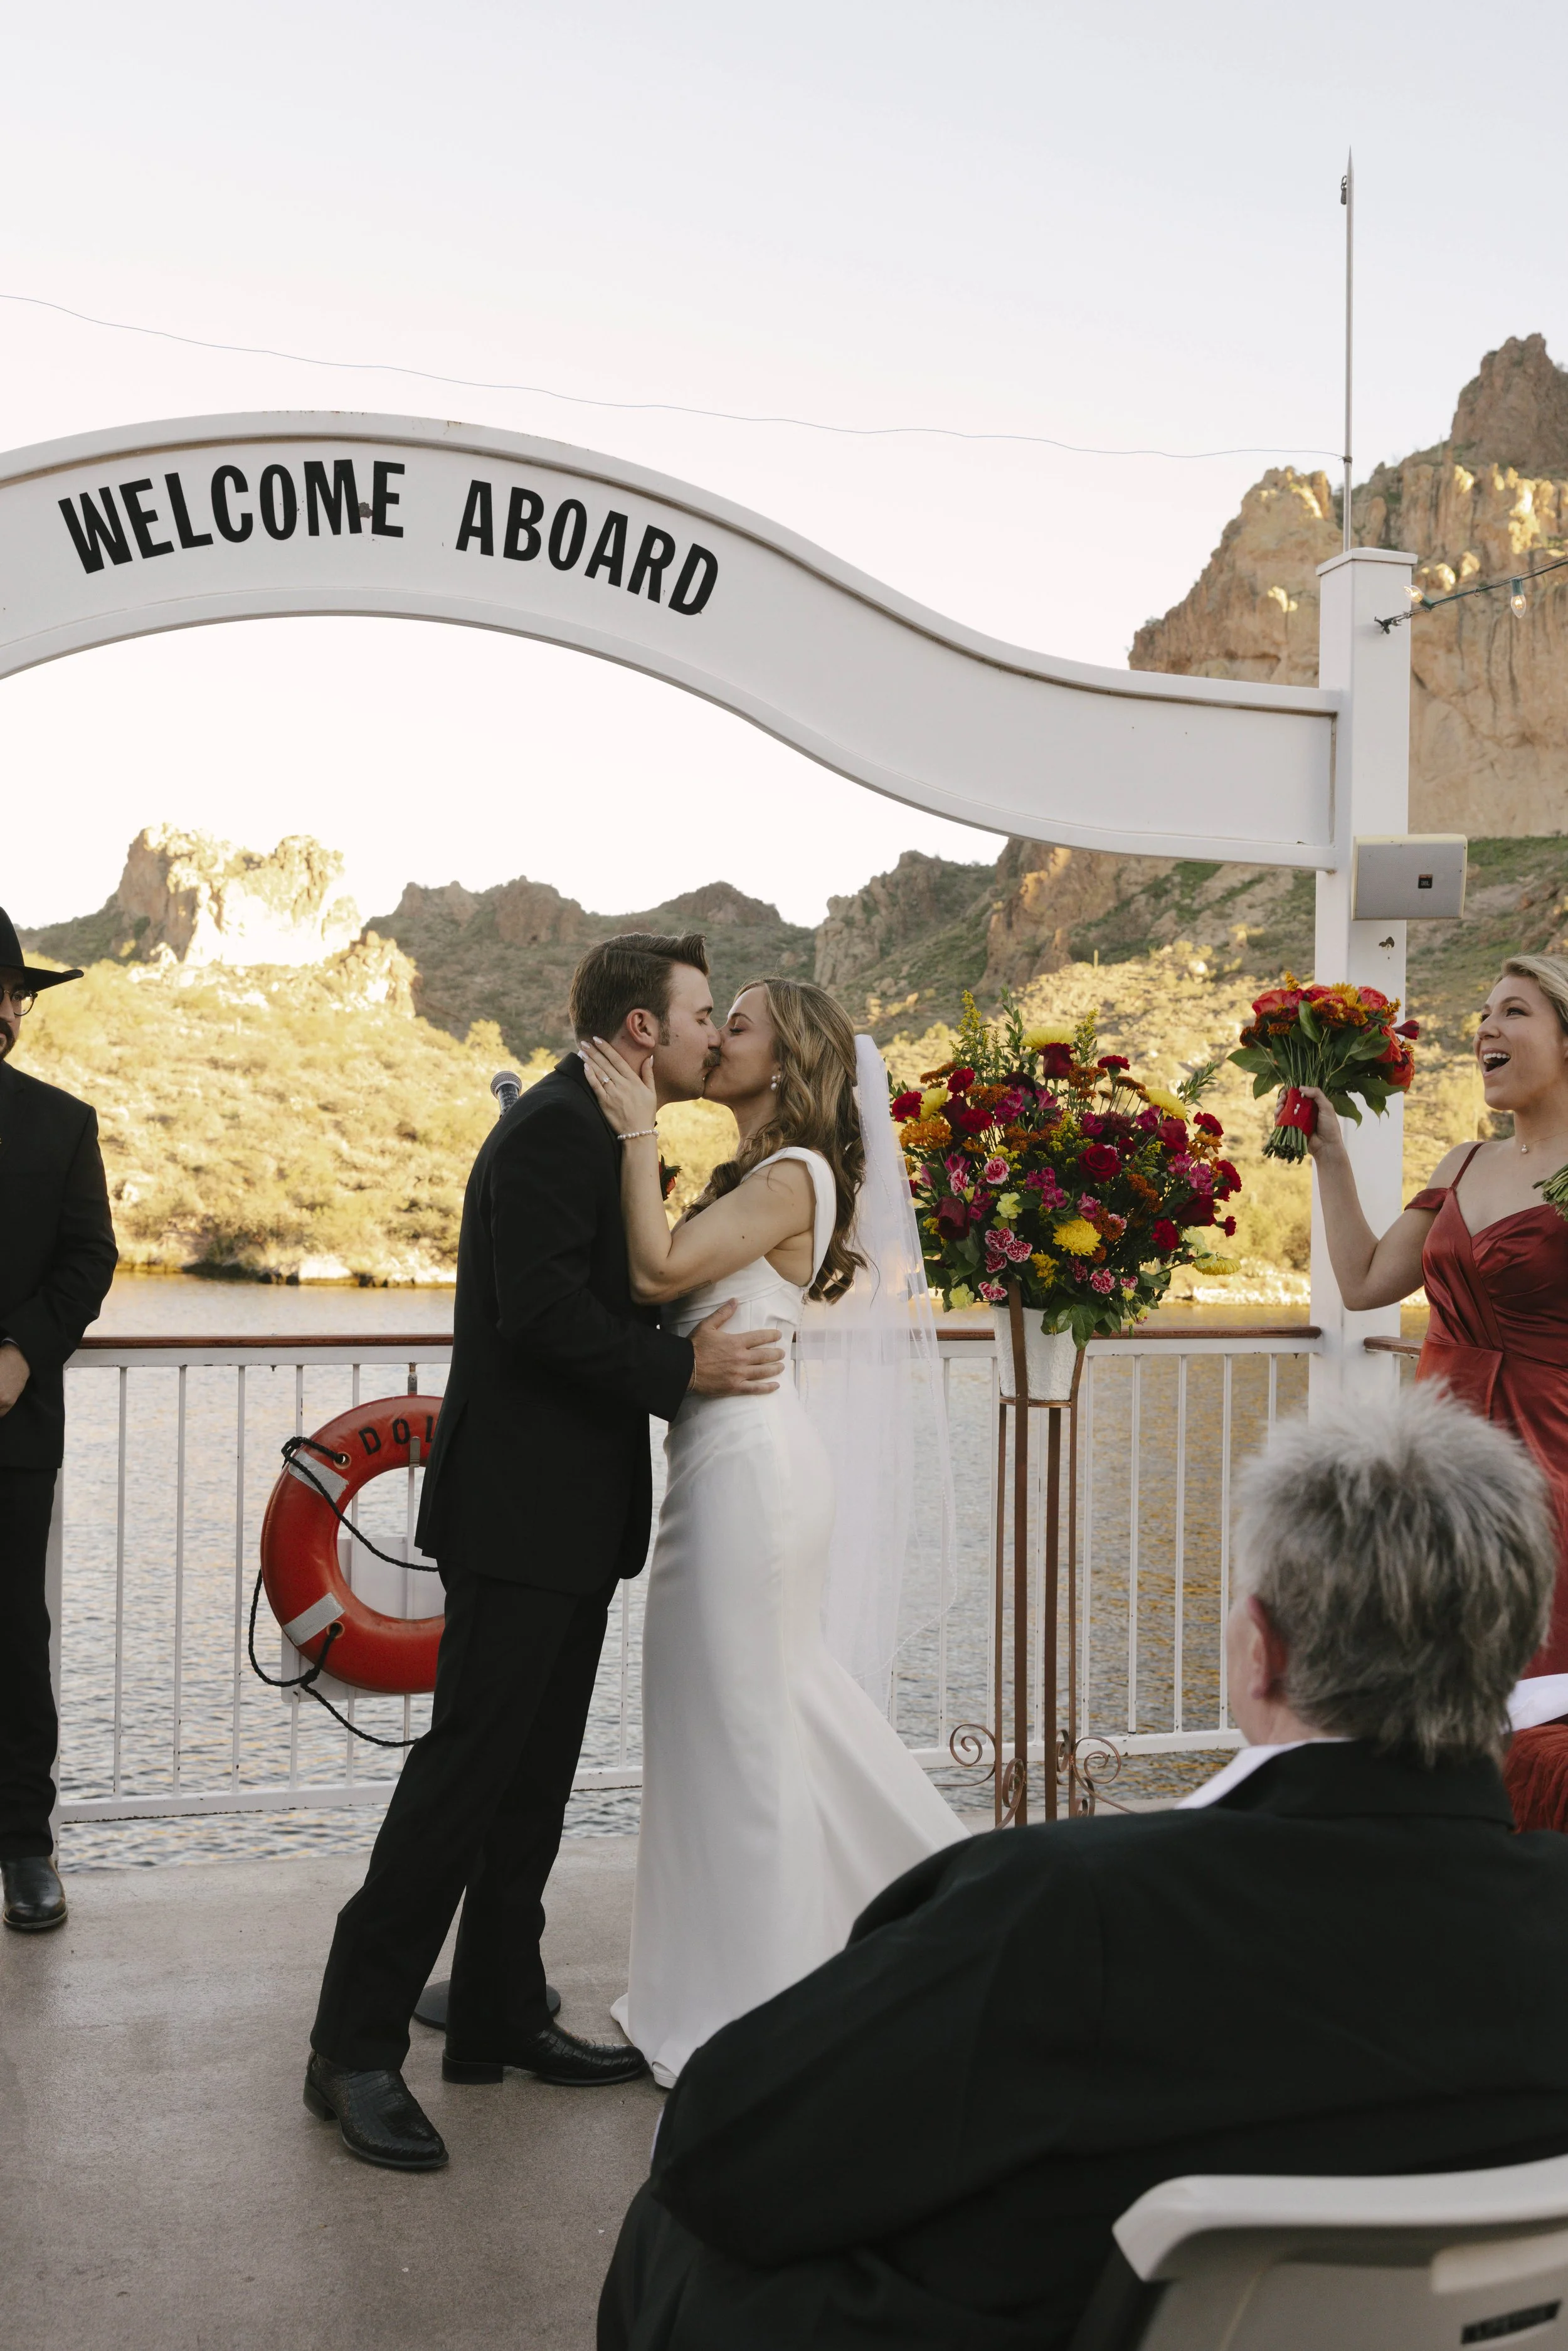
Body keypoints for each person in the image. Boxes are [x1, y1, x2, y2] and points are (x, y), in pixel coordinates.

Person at [598, 1385, 1568, 2351]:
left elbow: (723, 2147)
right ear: (1514, 1653)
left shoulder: (1073, 1907)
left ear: (1259, 1653)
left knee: (678, 2241)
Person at [305, 933, 788, 2172]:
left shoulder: (597, 1127)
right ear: (641, 1029)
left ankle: (501, 2012)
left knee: (531, 1782)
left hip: (567, 1517)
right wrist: (683, 1367)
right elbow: (542, 1318)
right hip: (519, 1515)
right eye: (695, 1015)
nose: (703, 1035)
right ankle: (352, 2046)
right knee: (463, 1776)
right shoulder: (559, 1131)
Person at [580, 979, 966, 2089]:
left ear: (789, 1063)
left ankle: (756, 2007)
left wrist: (636, 1124)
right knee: (749, 1718)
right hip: (725, 1463)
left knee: (745, 1728)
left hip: (750, 1474)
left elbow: (658, 1272)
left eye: (735, 1026)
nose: (715, 1039)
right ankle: (841, 1945)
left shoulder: (795, 1175)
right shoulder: (757, 1175)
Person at [1305, 953, 1568, 1822]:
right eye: (1485, 1014)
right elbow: (1366, 1281)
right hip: (1434, 1468)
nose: (1486, 1029)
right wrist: (1331, 1154)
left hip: (1549, 1474)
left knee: (1532, 1707)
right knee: (1422, 1675)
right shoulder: (1461, 1163)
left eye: (1516, 1013)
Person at [0, 909, 117, 1934]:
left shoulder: (61, 1122)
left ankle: (24, 1849)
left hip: (10, 1423)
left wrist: (21, 1348)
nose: (12, 1007)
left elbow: (91, 1260)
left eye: (18, 993)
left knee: (11, 1636)